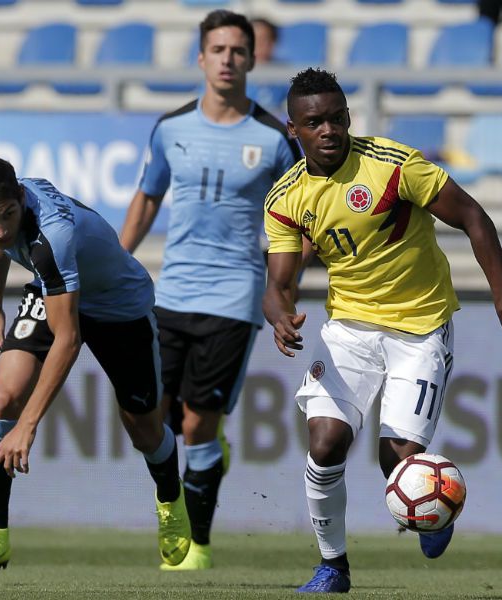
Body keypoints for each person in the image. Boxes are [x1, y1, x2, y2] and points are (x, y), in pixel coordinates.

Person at [263, 68, 502, 593]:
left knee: (395, 460)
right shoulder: (285, 198)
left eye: (336, 118)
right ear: (293, 130)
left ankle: (437, 508)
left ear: (349, 117)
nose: (328, 130)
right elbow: (277, 282)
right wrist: (280, 315)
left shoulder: (393, 166)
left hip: (419, 328)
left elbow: (474, 218)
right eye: (314, 122)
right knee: (324, 445)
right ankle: (333, 566)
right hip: (348, 328)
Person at [119, 9, 300, 571]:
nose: (227, 59)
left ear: (251, 59)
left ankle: (195, 544)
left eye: (238, 51)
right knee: (153, 418)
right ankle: (199, 467)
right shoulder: (172, 127)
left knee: (197, 423)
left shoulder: (272, 138)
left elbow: (300, 218)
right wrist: (118, 263)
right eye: (217, 50)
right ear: (201, 58)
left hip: (234, 295)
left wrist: (281, 291)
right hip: (170, 294)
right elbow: (148, 197)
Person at [0, 155, 191, 576]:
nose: (2, 230)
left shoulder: (53, 236)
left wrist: (27, 428)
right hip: (54, 290)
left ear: (22, 198)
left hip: (119, 308)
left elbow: (69, 339)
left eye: (8, 216)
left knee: (144, 429)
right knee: (4, 397)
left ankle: (171, 499)